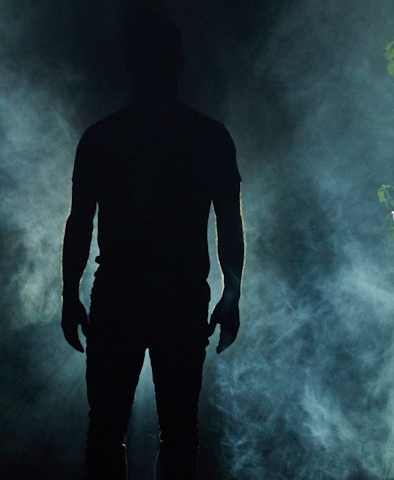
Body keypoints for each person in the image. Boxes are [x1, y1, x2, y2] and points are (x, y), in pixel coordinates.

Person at [61, 10, 245, 480]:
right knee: (176, 431)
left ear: (130, 64)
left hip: (122, 294)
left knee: (109, 429)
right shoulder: (208, 138)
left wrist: (69, 294)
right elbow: (228, 221)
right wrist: (231, 293)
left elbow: (80, 222)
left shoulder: (103, 138)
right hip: (176, 296)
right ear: (178, 63)